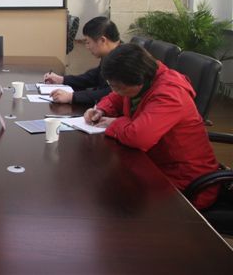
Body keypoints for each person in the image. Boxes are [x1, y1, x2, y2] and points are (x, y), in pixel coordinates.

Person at [84, 43, 219, 209]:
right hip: (153, 164)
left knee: (117, 200)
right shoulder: (143, 78)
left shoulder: (170, 93)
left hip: (184, 181)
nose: (115, 90)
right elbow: (116, 97)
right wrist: (101, 109)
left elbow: (138, 137)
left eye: (118, 87)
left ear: (139, 81)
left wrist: (116, 122)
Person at [43, 16, 120, 104]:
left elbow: (111, 93)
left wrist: (72, 97)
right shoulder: (110, 55)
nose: (87, 47)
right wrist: (62, 79)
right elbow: (93, 77)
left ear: (102, 40)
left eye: (88, 42)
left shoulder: (122, 59)